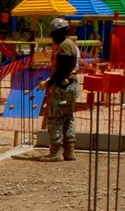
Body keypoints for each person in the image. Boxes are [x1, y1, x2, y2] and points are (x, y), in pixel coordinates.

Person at [37, 18, 80, 161]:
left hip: (63, 86)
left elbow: (63, 68)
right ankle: (69, 151)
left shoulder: (64, 47)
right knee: (68, 118)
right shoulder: (72, 44)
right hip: (72, 85)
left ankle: (55, 152)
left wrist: (50, 82)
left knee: (55, 118)